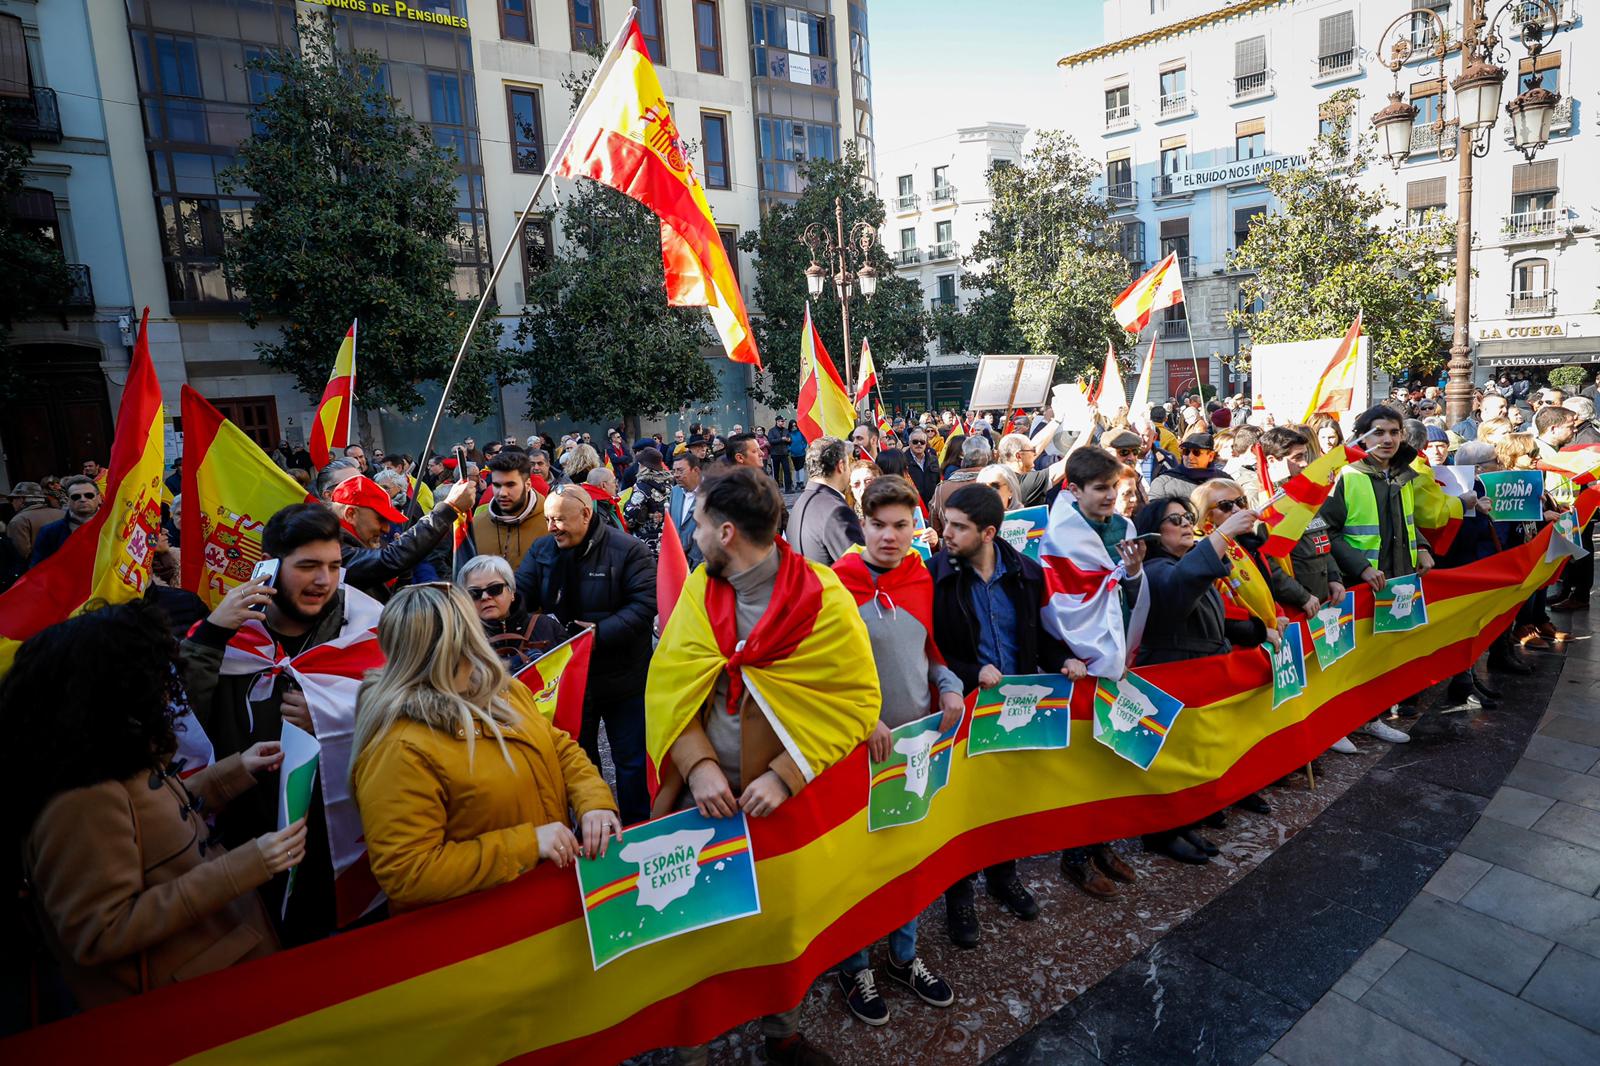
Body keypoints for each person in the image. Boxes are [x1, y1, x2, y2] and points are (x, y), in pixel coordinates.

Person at [647, 466, 877, 1066]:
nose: (693, 535)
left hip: (783, 804)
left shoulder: (824, 597)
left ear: (726, 533)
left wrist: (787, 774)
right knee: (693, 938)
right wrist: (697, 765)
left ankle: (784, 1034)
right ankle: (692, 1053)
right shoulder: (700, 589)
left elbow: (856, 702)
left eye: (699, 524)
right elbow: (667, 687)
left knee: (782, 927)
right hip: (702, 804)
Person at [5, 600, 305, 1009]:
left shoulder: (105, 751)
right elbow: (102, 931)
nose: (168, 690)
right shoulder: (79, 798)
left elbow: (149, 821)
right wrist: (247, 864)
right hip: (188, 1004)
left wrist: (232, 772)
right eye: (155, 677)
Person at [350, 584, 619, 911]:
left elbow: (557, 745)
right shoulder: (399, 748)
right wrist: (528, 844)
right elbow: (407, 871)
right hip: (481, 925)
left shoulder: (504, 690)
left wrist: (593, 801)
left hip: (543, 897)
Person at [177, 503, 358, 942]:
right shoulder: (217, 640)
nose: (324, 580)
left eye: (334, 566)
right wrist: (210, 637)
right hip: (245, 847)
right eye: (308, 566)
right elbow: (180, 730)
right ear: (270, 566)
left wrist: (330, 719)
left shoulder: (361, 629)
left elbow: (395, 720)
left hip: (339, 847)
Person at [830, 477, 960, 1023]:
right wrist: (864, 718)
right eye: (878, 524)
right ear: (862, 525)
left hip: (915, 741)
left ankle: (904, 956)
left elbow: (930, 650)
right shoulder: (836, 585)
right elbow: (824, 674)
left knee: (907, 855)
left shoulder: (919, 576)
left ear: (915, 527)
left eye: (901, 525)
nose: (889, 536)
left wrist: (948, 684)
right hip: (858, 750)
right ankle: (854, 963)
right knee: (861, 863)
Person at [930, 484, 1065, 946]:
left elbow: (1038, 635)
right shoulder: (936, 577)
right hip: (963, 712)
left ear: (988, 533)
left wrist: (1063, 659)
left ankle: (1003, 876)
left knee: (1006, 798)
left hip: (1015, 711)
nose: (946, 533)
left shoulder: (1026, 573)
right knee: (960, 806)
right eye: (946, 522)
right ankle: (959, 894)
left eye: (958, 527)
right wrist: (970, 672)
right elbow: (932, 651)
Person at [1132, 494, 1270, 861]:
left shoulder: (1181, 563)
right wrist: (1223, 534)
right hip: (1172, 676)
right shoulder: (1156, 570)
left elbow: (1212, 617)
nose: (1185, 524)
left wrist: (1257, 631)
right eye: (1174, 519)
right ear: (1153, 532)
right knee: (1170, 760)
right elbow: (1181, 585)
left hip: (1199, 674)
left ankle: (1182, 821)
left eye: (1186, 518)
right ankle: (1160, 833)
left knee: (1191, 756)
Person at [515, 485, 656, 825]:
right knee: (581, 759)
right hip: (571, 682)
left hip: (624, 677)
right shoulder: (542, 549)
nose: (552, 527)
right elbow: (520, 594)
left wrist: (597, 634)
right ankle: (595, 828)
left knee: (631, 762)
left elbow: (645, 604)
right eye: (548, 519)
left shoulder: (629, 550)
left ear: (585, 515)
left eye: (559, 520)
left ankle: (637, 828)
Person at [1318, 405, 1433, 743]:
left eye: (1394, 432)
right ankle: (1338, 723)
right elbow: (1326, 531)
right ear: (1362, 437)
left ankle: (1370, 717)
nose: (1388, 439)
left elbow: (1406, 520)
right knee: (1347, 658)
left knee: (1380, 657)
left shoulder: (1402, 472)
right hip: (1356, 584)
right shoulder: (1346, 475)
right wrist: (1361, 567)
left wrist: (1422, 546)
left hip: (1395, 582)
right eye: (1378, 432)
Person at [329, 474, 475, 603]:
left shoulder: (353, 545)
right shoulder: (331, 552)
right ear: (350, 514)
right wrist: (448, 508)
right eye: (381, 519)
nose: (386, 529)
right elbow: (388, 559)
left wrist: (404, 569)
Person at [457, 553, 567, 669]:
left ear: (512, 591)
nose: (485, 597)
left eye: (495, 589)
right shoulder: (460, 640)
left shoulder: (546, 625)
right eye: (474, 592)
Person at [787, 436, 865, 566]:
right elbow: (860, 567)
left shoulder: (801, 501)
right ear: (841, 466)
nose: (851, 468)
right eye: (850, 462)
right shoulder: (837, 511)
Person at [472, 448, 549, 569]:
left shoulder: (551, 524)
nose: (502, 493)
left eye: (510, 485)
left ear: (528, 485)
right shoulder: (476, 525)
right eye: (497, 485)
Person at [29, 474, 102, 566]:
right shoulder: (49, 532)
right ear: (68, 500)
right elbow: (38, 568)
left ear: (99, 498)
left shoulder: (114, 528)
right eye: (76, 497)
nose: (83, 499)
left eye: (89, 495)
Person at [930, 436, 992, 534]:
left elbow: (935, 528)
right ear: (988, 456)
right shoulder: (996, 483)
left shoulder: (942, 488)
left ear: (963, 455)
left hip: (952, 541)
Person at [623, 447, 674, 556]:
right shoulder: (669, 484)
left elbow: (629, 516)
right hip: (666, 539)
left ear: (643, 466)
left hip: (645, 543)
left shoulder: (642, 487)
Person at [1147, 432, 1226, 501]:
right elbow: (1154, 511)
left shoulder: (1224, 480)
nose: (1190, 457)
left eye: (1196, 452)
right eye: (1186, 451)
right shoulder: (1163, 483)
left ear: (1211, 456)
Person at [5, 481, 63, 563]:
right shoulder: (62, 513)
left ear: (21, 499)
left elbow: (22, 554)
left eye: (12, 499)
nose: (12, 503)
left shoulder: (18, 521)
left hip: (39, 568)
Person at [669, 451, 705, 568]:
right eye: (674, 471)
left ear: (696, 470)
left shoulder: (711, 493)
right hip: (679, 562)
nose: (676, 475)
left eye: (680, 470)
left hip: (702, 564)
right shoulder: (675, 492)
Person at [904, 426, 942, 505]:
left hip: (932, 504)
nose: (919, 444)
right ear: (909, 443)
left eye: (922, 442)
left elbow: (938, 482)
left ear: (926, 443)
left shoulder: (933, 459)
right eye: (915, 442)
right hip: (913, 505)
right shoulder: (902, 461)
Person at [767, 418, 795, 492]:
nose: (783, 423)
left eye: (784, 421)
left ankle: (788, 489)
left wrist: (789, 440)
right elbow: (771, 441)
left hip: (784, 453)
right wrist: (781, 439)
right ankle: (775, 489)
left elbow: (790, 440)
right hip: (775, 454)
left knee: (787, 471)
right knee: (775, 472)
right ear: (777, 421)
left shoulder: (786, 430)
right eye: (782, 421)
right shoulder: (772, 430)